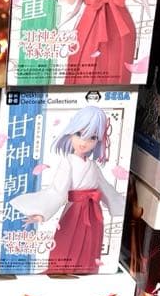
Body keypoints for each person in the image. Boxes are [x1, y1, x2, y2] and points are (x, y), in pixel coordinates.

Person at [10, 105, 125, 273]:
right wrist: (42, 212)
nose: (84, 142)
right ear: (71, 133)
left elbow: (107, 189)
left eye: (92, 137)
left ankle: (86, 272)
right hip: (75, 211)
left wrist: (123, 206)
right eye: (79, 134)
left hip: (93, 213)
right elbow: (57, 190)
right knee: (67, 241)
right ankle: (60, 272)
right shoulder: (68, 162)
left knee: (90, 246)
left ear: (98, 141)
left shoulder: (93, 166)